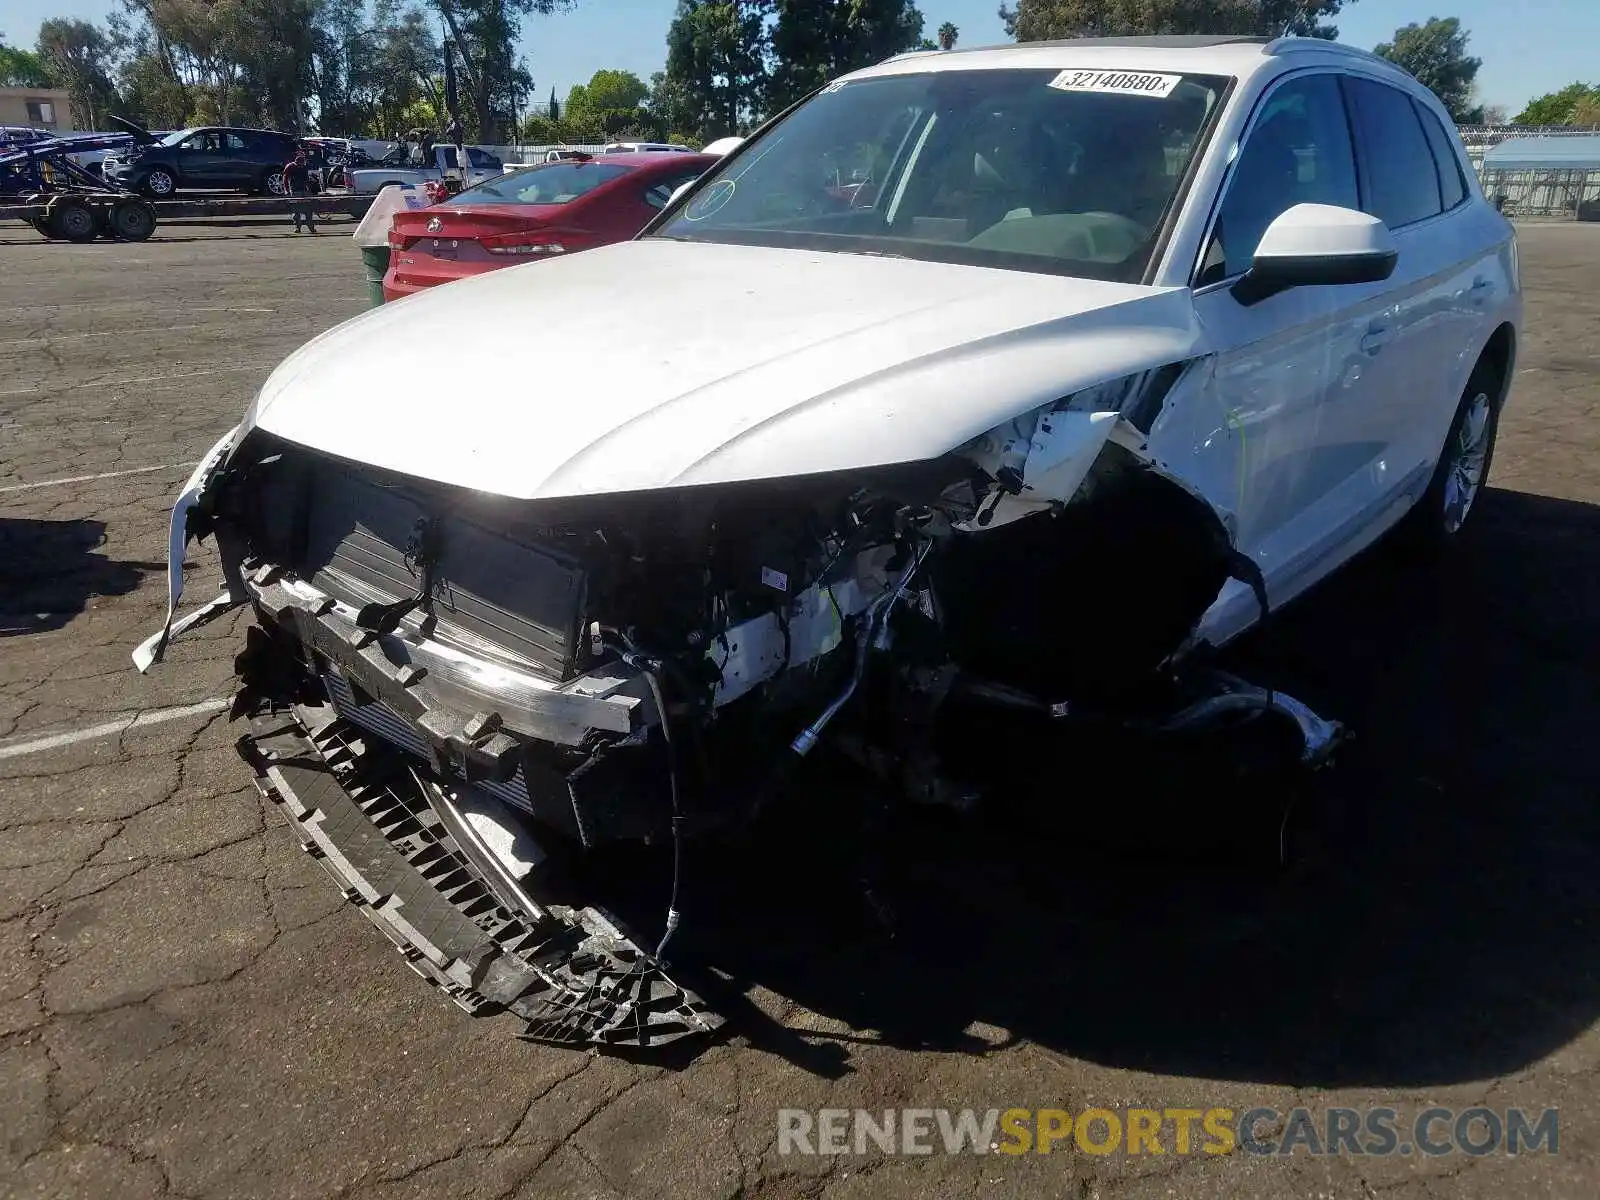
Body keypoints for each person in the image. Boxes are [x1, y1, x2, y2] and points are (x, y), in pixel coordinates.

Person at [284, 148, 317, 234]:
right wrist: (287, 190)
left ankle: (310, 227)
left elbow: (306, 179)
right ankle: (298, 227)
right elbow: (285, 179)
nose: (303, 165)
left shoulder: (304, 167)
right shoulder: (290, 167)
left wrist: (309, 189)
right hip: (295, 191)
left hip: (304, 190)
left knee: (308, 210)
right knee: (296, 210)